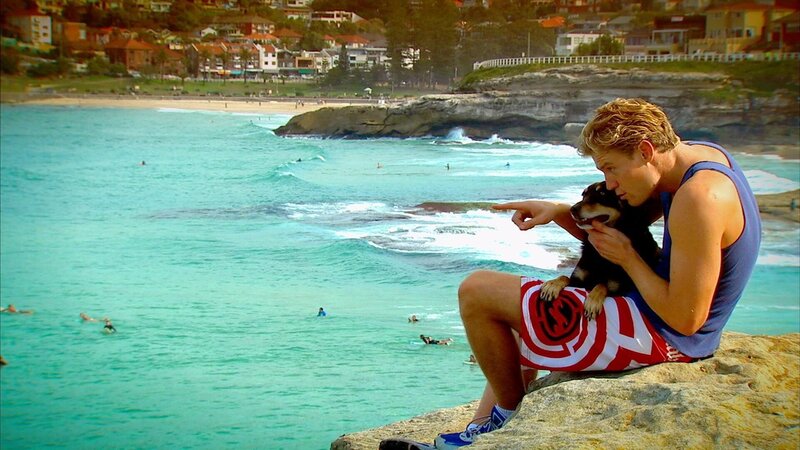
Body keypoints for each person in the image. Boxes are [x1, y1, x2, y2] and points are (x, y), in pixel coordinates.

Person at [383, 98, 761, 450]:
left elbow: (687, 318)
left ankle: (506, 425)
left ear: (646, 151)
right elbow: (620, 229)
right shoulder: (699, 159)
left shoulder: (699, 198)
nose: (610, 184)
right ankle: (480, 428)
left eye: (611, 169)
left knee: (477, 290)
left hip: (667, 336)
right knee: (523, 307)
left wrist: (629, 259)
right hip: (656, 312)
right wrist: (559, 212)